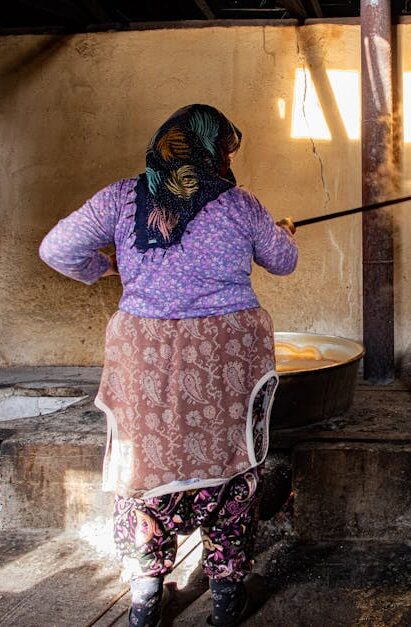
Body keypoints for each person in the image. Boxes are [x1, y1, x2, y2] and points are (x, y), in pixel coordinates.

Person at [39, 103, 298, 627]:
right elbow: (284, 261)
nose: (228, 159)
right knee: (229, 465)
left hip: (145, 354)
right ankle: (226, 599)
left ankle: (145, 600)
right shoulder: (240, 205)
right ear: (212, 152)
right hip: (224, 354)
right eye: (225, 150)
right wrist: (281, 231)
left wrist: (106, 267)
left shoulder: (119, 197)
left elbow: (56, 250)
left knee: (142, 468)